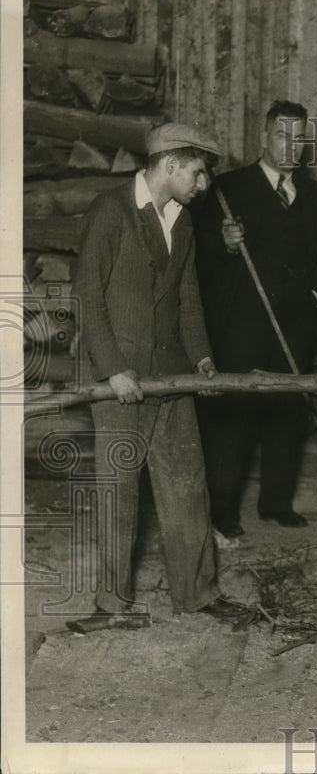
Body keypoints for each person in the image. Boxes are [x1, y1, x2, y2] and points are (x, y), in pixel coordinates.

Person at [69, 123, 247, 632]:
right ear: (169, 165)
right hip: (120, 380)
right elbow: (87, 296)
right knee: (119, 492)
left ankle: (197, 593)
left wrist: (202, 360)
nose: (204, 183)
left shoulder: (184, 222)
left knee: (188, 486)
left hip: (172, 377)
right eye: (197, 172)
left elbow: (189, 299)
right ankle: (111, 606)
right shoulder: (111, 211)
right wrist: (112, 369)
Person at [195, 101, 317, 537]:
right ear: (264, 138)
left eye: (299, 137)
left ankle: (275, 503)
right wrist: (225, 244)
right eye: (282, 136)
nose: (292, 146)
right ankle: (224, 511)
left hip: (294, 326)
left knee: (286, 414)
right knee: (234, 418)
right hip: (243, 326)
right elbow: (198, 260)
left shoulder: (309, 193)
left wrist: (314, 296)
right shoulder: (228, 188)